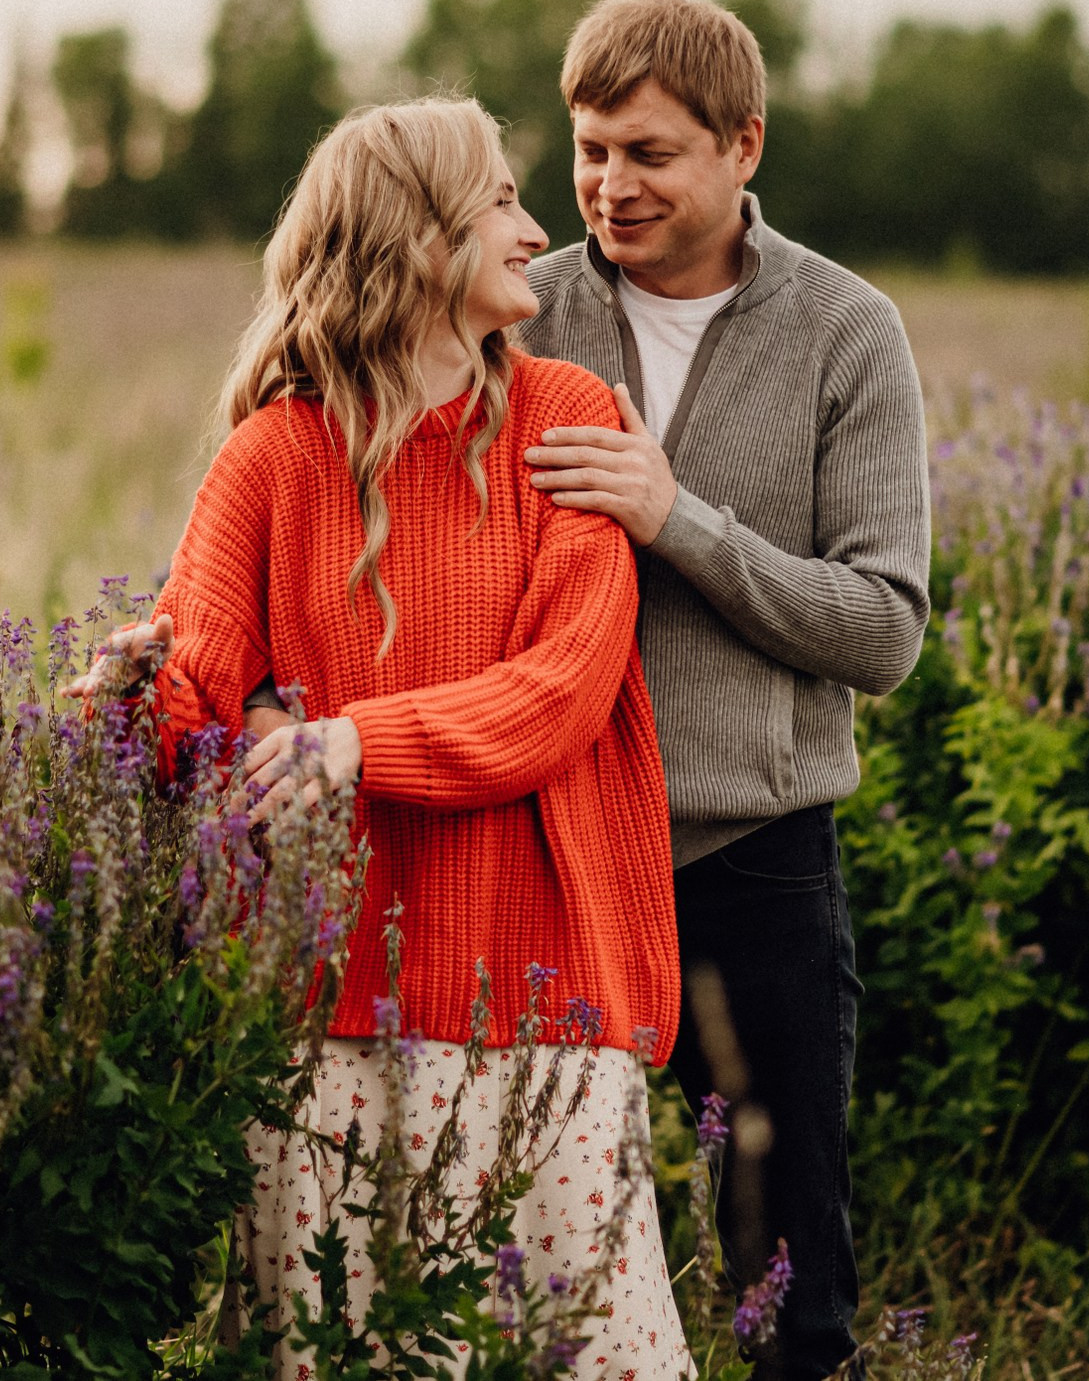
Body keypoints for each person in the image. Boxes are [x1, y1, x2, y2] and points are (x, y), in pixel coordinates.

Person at [74, 97, 689, 1378]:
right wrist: (129, 701)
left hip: (543, 996)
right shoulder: (272, 459)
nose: (538, 230)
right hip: (323, 1004)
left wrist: (350, 742)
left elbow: (563, 690)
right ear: (419, 242)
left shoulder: (565, 418)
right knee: (343, 1354)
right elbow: (203, 694)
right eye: (502, 203)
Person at [518, 0, 933, 1381]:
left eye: (650, 154)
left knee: (790, 1294)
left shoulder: (847, 330)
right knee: (527, 1265)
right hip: (546, 853)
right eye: (589, 150)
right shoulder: (523, 313)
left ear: (745, 144)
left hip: (754, 867)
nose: (609, 187)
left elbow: (882, 628)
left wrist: (675, 516)